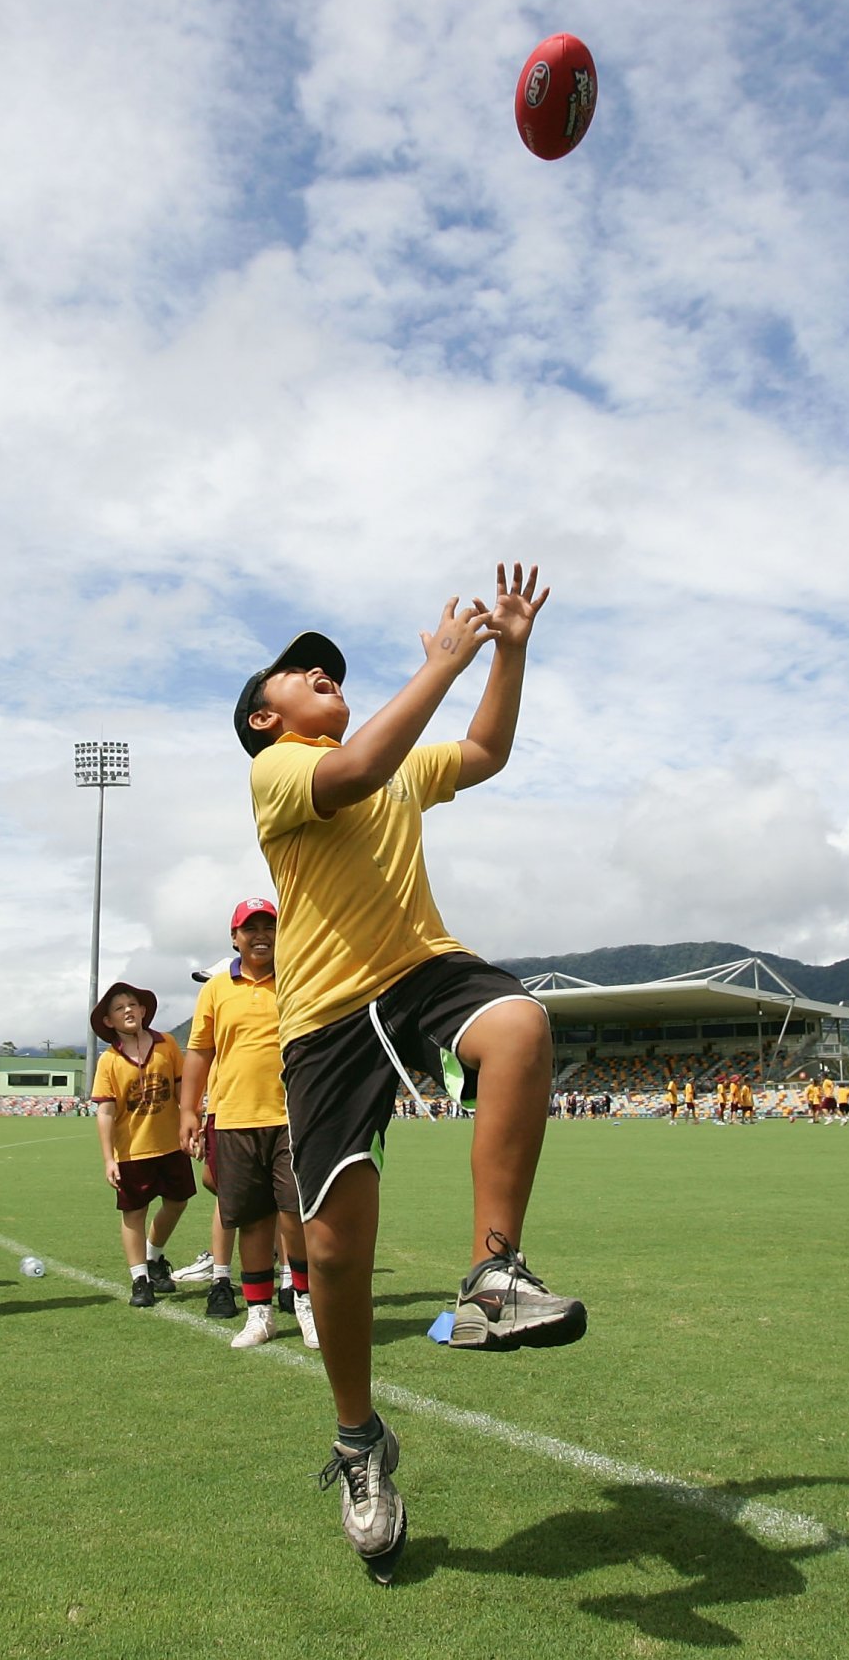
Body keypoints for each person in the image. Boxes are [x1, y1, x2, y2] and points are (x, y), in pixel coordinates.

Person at [238, 564, 580, 1583]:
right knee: (338, 1255)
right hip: (327, 1017)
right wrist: (438, 662)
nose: (322, 675)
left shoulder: (388, 759)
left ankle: (492, 1273)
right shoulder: (279, 774)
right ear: (267, 715)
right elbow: (352, 773)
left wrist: (506, 652)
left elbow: (481, 750)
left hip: (420, 967)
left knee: (518, 1023)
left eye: (332, 670)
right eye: (304, 673)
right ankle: (359, 1441)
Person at [180, 898, 314, 1350]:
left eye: (270, 927)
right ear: (234, 937)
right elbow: (199, 1051)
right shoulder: (216, 989)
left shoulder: (298, 980)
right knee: (253, 1221)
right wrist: (188, 1111)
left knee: (295, 1215)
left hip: (292, 1117)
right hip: (233, 1118)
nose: (261, 936)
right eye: (250, 928)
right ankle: (259, 1315)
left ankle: (305, 1302)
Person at [91, 982, 194, 1306]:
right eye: (119, 1008)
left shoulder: (166, 1045)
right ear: (109, 1021)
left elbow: (182, 1091)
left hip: (171, 1145)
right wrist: (109, 1159)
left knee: (178, 1202)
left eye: (133, 1005)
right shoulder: (108, 1060)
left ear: (144, 1010)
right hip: (132, 1150)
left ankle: (154, 1257)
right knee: (134, 1213)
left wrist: (192, 1126)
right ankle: (140, 1279)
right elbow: (105, 1111)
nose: (128, 1011)